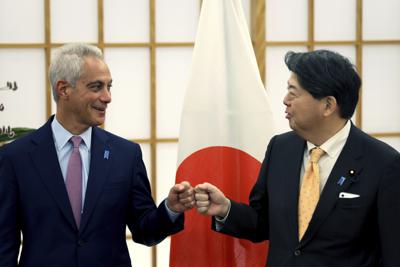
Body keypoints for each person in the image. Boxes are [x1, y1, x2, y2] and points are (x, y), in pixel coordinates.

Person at [194, 50, 400, 267]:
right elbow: (263, 222)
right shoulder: (280, 148)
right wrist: (226, 209)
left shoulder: (384, 164)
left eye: (294, 92)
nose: (285, 100)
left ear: (328, 105)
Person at [0, 43, 195, 267]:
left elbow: (145, 231)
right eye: (96, 87)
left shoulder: (126, 155)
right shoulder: (16, 158)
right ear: (64, 89)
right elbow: (4, 246)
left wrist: (171, 208)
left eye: (109, 87)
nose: (107, 97)